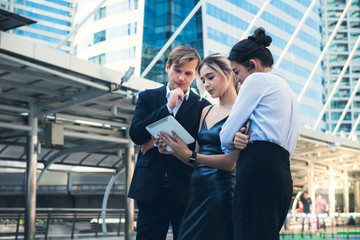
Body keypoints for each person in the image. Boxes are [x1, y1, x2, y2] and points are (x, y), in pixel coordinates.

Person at [220, 27, 300, 240]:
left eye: (236, 72)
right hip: (282, 173)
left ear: (252, 65)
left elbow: (226, 135)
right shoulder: (289, 92)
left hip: (257, 169)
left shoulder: (257, 80)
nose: (237, 80)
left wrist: (232, 140)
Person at [156, 53, 247, 240]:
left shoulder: (243, 111)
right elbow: (194, 157)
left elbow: (230, 163)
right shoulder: (206, 110)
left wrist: (188, 154)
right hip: (196, 191)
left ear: (228, 73)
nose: (206, 84)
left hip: (220, 193)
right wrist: (173, 149)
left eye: (210, 77)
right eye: (203, 79)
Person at [128, 46, 211, 240]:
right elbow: (136, 134)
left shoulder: (203, 107)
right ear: (167, 67)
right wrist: (168, 107)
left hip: (185, 190)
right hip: (150, 189)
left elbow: (202, 147)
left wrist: (173, 147)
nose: (181, 78)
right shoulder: (148, 97)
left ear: (195, 75)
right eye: (177, 71)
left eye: (188, 73)